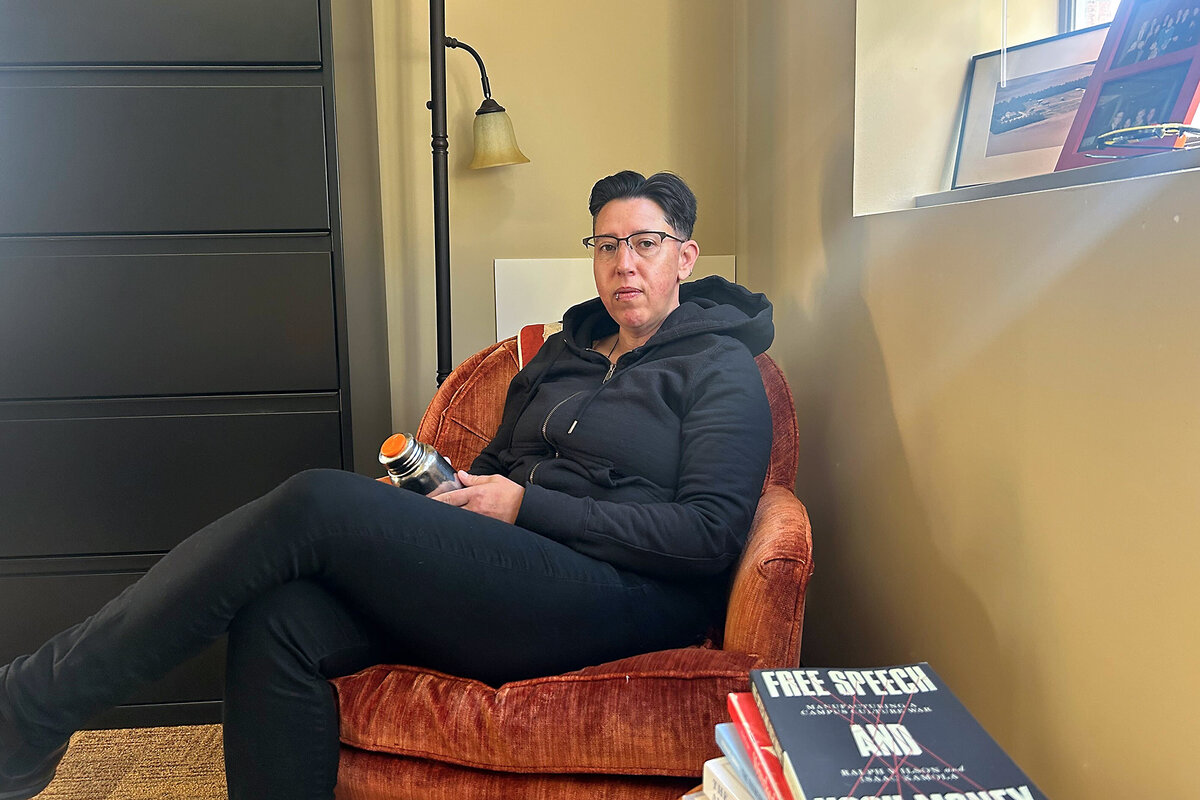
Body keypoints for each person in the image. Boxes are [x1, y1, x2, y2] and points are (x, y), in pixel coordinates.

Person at [0, 170, 773, 800]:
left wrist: (526, 504)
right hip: (510, 571)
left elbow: (708, 536)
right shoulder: (558, 356)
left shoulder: (722, 371)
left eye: (644, 242)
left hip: (621, 595)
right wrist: (444, 497)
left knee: (316, 501)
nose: (623, 263)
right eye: (606, 244)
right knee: (281, 617)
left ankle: (33, 704)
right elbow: (497, 467)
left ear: (686, 256)